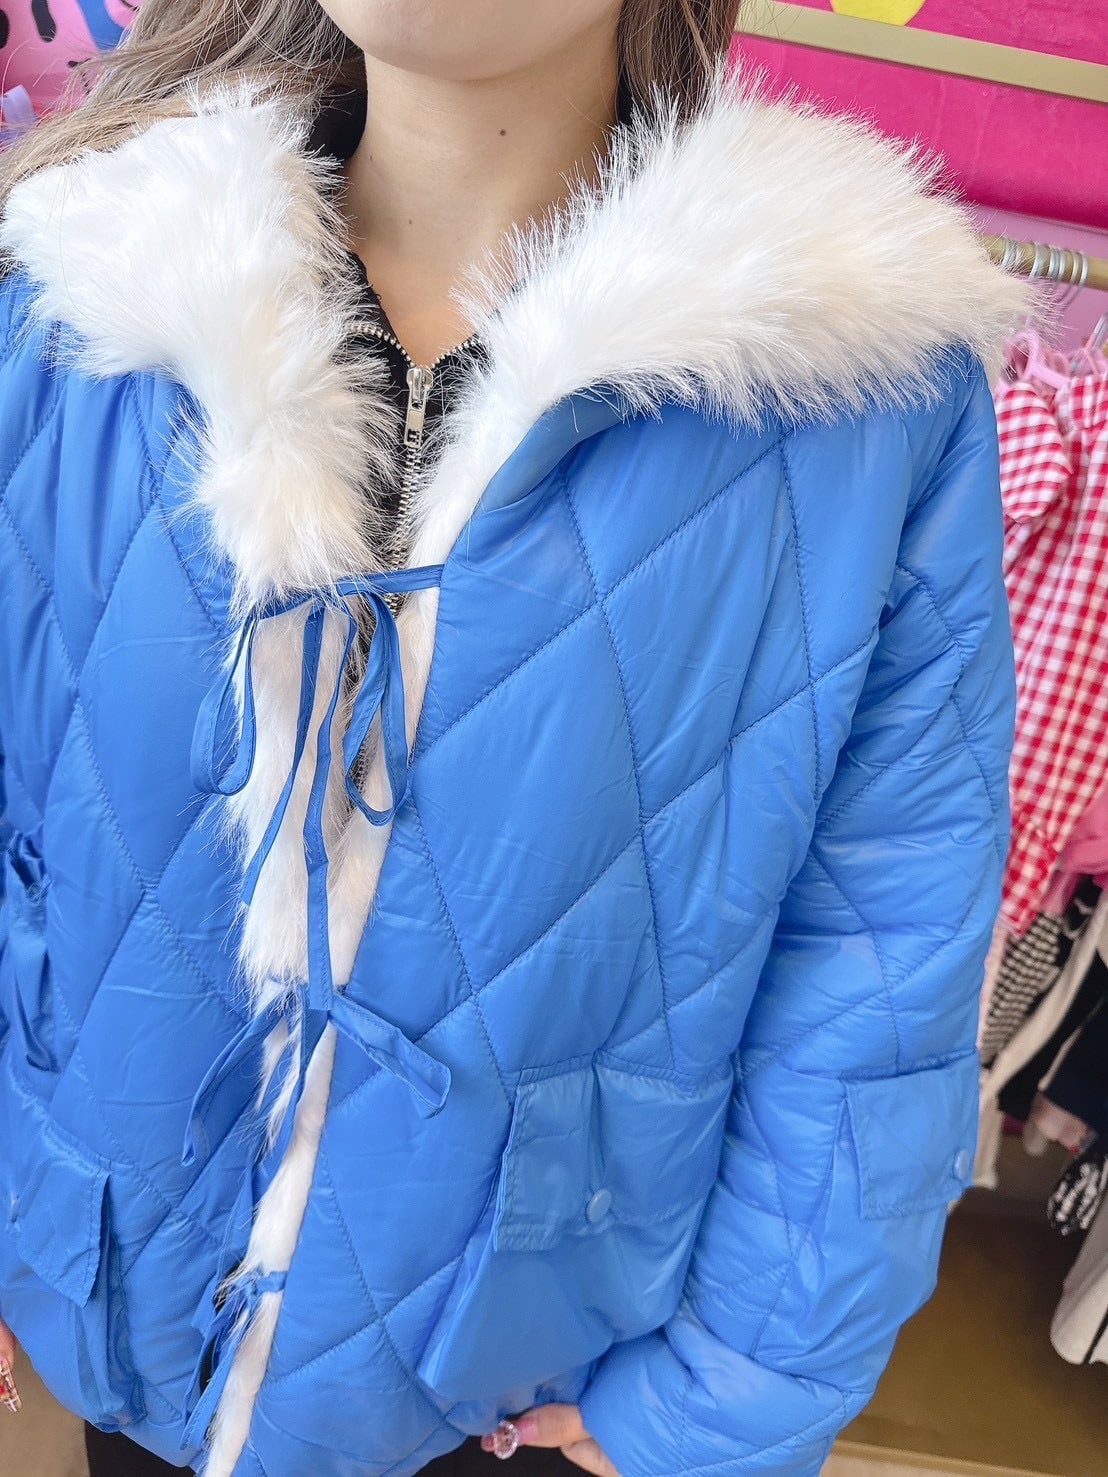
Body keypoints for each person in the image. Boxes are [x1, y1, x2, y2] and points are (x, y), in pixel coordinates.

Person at [0, 1, 1024, 1474]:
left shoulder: (860, 393)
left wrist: (729, 1389)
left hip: (521, 1386)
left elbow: (880, 953)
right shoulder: (79, 295)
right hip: (109, 1287)